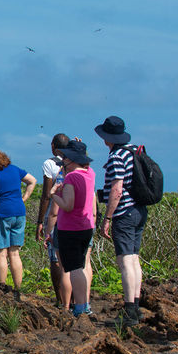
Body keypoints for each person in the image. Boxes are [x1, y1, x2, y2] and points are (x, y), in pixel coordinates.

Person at [95, 116, 148, 327]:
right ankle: (135, 306)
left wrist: (107, 218)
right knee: (134, 258)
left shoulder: (117, 156)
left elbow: (117, 189)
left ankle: (129, 311)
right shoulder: (135, 151)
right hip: (139, 210)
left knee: (125, 261)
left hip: (124, 212)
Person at [0, 146, 37, 299]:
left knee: (1, 253)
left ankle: (1, 289)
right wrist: (24, 198)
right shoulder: (14, 169)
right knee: (14, 252)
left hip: (2, 214)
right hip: (19, 213)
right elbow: (32, 181)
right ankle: (18, 289)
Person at [50, 140, 96, 317]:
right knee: (82, 266)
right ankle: (85, 305)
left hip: (71, 228)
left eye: (66, 157)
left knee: (73, 268)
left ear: (71, 159)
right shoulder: (90, 173)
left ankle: (79, 307)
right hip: (86, 226)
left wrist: (53, 195)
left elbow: (67, 206)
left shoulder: (71, 177)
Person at [36, 134, 70, 306]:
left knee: (55, 259)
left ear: (53, 146)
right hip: (77, 216)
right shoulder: (77, 162)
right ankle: (78, 300)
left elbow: (46, 196)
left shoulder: (50, 164)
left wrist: (40, 222)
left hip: (56, 217)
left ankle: (60, 300)